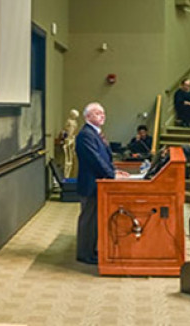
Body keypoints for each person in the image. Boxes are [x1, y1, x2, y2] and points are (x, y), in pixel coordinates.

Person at [76, 103, 128, 265]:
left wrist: (115, 171)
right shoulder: (86, 134)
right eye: (97, 113)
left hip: (99, 183)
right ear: (88, 117)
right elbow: (95, 160)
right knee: (88, 220)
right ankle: (84, 254)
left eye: (103, 113)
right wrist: (112, 175)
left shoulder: (96, 133)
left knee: (94, 220)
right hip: (90, 184)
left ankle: (92, 250)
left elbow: (104, 158)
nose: (102, 115)